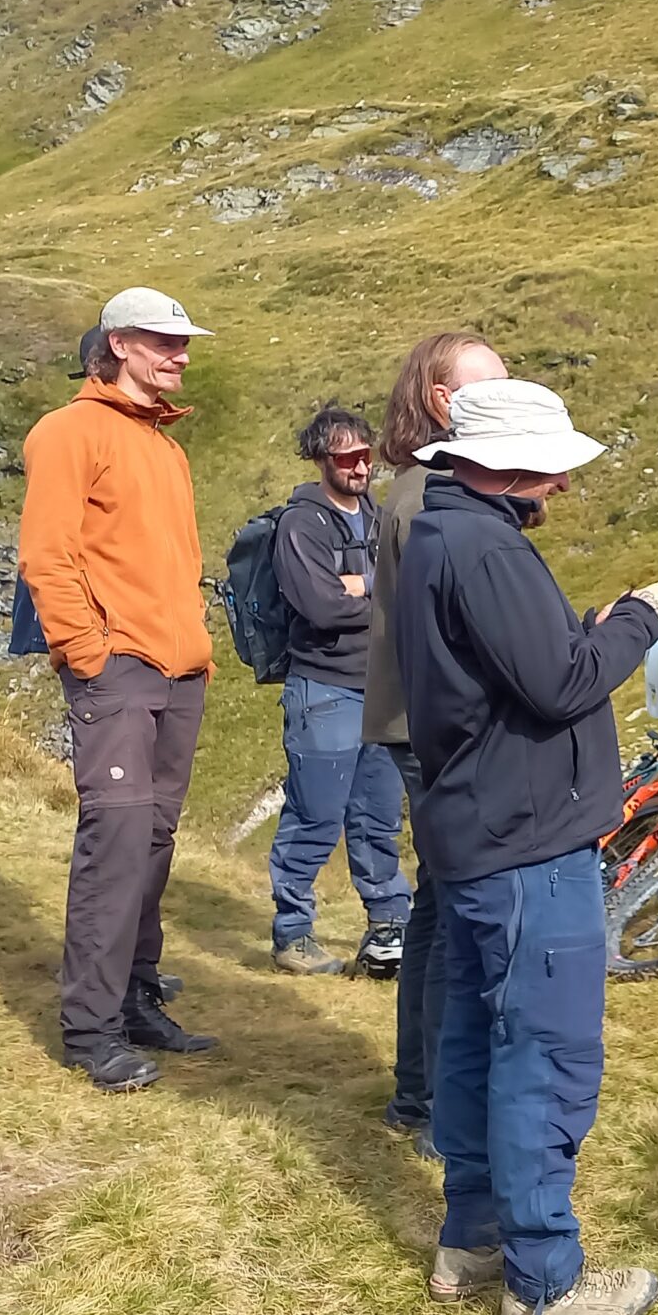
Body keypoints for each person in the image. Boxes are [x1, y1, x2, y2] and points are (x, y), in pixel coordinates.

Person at [396, 376, 658, 1315]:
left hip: (479, 836)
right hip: (527, 848)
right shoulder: (484, 549)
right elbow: (561, 685)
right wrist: (637, 621)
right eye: (555, 467)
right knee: (547, 1056)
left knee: (478, 1043)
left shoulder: (446, 533)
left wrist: (584, 631)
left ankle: (472, 1240)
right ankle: (544, 1282)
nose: (561, 485)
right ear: (514, 461)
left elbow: (520, 672)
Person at [18, 286, 220, 1094]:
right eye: (163, 341)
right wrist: (88, 654)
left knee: (155, 841)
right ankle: (90, 1030)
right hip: (121, 671)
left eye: (182, 342)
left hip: (179, 672)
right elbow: (47, 556)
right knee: (117, 839)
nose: (180, 354)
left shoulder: (165, 447)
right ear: (118, 345)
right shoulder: (69, 432)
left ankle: (137, 999)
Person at [369, 331, 507, 1155]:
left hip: (413, 724)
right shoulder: (430, 499)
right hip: (439, 732)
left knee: (433, 910)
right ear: (439, 399)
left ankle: (414, 1096)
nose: (504, 396)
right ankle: (438, 1112)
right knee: (460, 916)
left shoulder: (420, 488)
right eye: (486, 386)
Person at [265, 404, 414, 977]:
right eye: (346, 456)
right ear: (321, 459)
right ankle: (293, 934)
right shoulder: (300, 524)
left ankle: (388, 928)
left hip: (380, 687)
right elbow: (322, 606)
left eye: (365, 454)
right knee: (316, 816)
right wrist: (379, 589)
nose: (359, 466)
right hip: (324, 691)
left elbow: (405, 581)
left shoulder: (378, 513)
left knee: (378, 817)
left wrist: (361, 584)